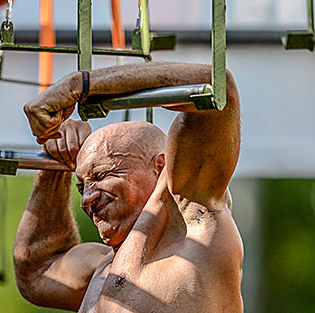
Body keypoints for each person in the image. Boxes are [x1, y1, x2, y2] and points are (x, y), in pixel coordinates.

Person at [13, 62, 243, 312]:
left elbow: (215, 88)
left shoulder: (195, 224)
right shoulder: (102, 269)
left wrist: (79, 86)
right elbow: (37, 270)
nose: (86, 199)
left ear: (160, 167)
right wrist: (55, 166)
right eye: (81, 186)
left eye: (101, 175)